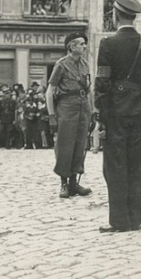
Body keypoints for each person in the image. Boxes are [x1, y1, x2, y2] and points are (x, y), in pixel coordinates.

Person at [94, 0, 141, 233]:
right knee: (135, 163)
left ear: (115, 15)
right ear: (133, 17)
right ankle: (135, 218)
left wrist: (101, 117)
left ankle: (119, 220)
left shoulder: (108, 44)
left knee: (115, 166)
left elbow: (102, 83)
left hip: (116, 113)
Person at [47, 32, 94, 198]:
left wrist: (93, 111)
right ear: (72, 46)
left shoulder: (85, 64)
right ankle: (64, 184)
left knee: (80, 144)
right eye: (81, 44)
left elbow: (89, 90)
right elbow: (50, 91)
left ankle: (74, 182)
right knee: (65, 145)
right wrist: (52, 115)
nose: (84, 46)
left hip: (83, 107)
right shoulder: (61, 64)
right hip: (66, 107)